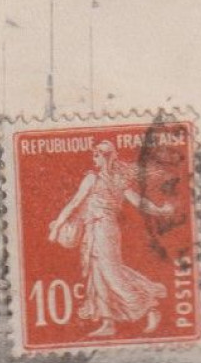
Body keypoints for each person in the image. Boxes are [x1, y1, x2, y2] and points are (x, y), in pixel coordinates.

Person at [47, 139, 175, 337]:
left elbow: (137, 202)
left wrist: (57, 228)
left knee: (112, 274)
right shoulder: (101, 179)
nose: (94, 159)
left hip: (105, 230)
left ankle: (149, 307)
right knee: (97, 275)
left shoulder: (109, 180)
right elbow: (75, 203)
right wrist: (59, 224)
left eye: (97, 155)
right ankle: (108, 323)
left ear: (106, 158)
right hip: (94, 231)